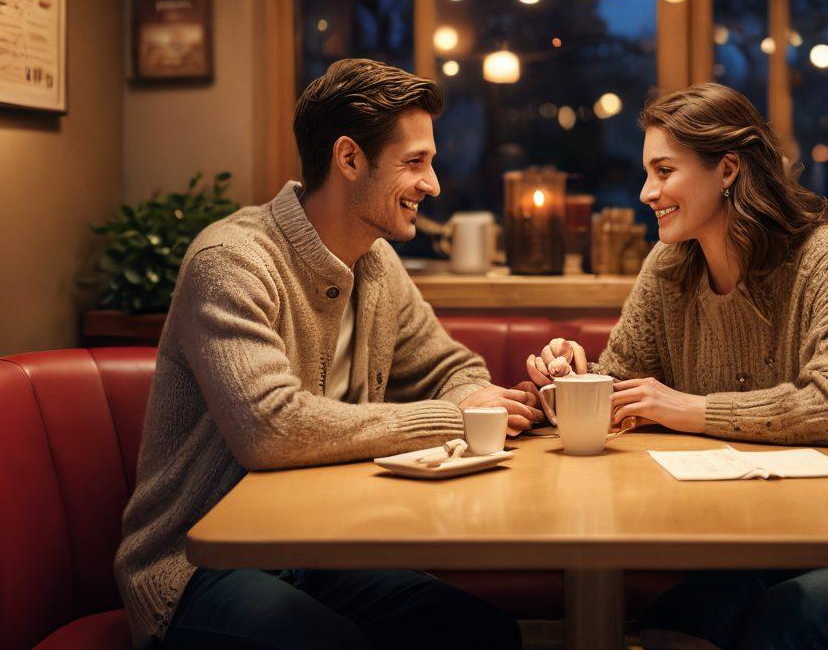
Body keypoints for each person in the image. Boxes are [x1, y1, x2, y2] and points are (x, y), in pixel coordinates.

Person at [526, 83, 828, 650]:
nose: (647, 192)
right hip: (756, 545)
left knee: (785, 623)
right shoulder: (669, 268)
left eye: (664, 171)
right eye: (647, 173)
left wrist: (689, 408)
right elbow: (621, 391)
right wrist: (570, 378)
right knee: (674, 621)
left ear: (728, 169)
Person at [114, 59, 539, 650]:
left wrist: (478, 399)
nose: (433, 185)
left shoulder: (377, 263)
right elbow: (271, 428)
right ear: (349, 159)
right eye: (415, 163)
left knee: (478, 632)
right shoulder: (232, 262)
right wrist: (452, 419)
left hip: (317, 545)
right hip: (197, 566)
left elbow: (449, 367)